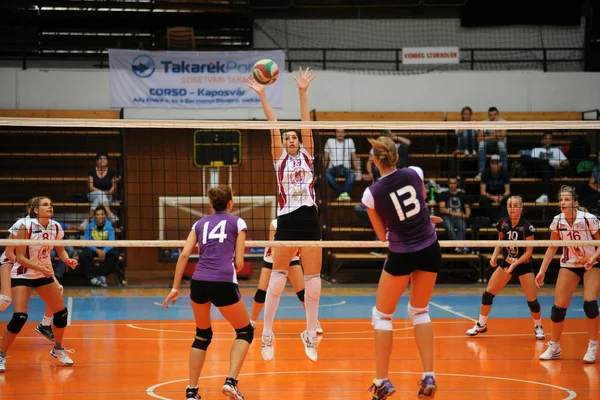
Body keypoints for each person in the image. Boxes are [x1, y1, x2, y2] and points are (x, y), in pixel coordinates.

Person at [246, 67, 322, 362]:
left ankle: (311, 333)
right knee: (277, 278)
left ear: (300, 142)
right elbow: (272, 123)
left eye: (294, 138)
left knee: (314, 281)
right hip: (287, 218)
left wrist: (303, 92)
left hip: (309, 217)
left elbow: (305, 122)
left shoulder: (308, 155)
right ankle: (266, 334)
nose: (291, 140)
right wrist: (263, 94)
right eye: (287, 138)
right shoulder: (279, 159)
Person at [362, 136, 442, 399]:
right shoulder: (415, 173)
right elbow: (417, 206)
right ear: (397, 156)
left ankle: (383, 381)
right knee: (420, 311)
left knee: (382, 316)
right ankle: (428, 375)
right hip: (430, 249)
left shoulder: (371, 194)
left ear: (375, 161)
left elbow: (382, 235)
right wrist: (423, 219)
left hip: (402, 253)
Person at [162, 185, 252, 400]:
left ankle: (192, 391)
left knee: (202, 335)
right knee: (245, 331)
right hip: (222, 281)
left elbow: (184, 255)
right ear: (231, 203)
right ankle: (231, 382)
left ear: (211, 205)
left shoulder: (199, 223)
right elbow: (239, 263)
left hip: (199, 281)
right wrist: (231, 266)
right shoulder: (238, 222)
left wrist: (175, 288)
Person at [0, 196, 78, 373]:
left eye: (51, 204)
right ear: (35, 210)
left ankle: (57, 348)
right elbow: (18, 257)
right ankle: (1, 355)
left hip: (43, 272)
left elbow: (61, 250)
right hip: (23, 272)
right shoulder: (24, 226)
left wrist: (67, 260)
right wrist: (40, 269)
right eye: (45, 205)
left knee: (61, 313)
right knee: (19, 316)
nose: (50, 207)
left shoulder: (55, 226)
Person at [466, 196, 545, 340]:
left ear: (521, 208)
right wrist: (494, 255)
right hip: (507, 262)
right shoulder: (503, 223)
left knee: (532, 301)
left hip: (524, 264)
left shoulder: (527, 227)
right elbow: (500, 241)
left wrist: (515, 264)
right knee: (487, 294)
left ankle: (538, 326)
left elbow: (528, 253)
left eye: (515, 205)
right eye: (509, 205)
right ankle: (481, 325)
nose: (512, 208)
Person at [536, 185, 599, 363]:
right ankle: (554, 346)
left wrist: (593, 257)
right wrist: (542, 271)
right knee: (557, 310)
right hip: (570, 263)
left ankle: (593, 345)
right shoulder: (557, 220)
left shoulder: (589, 219)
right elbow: (552, 247)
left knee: (590, 305)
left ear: (575, 203)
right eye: (561, 200)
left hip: (592, 263)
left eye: (567, 199)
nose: (563, 202)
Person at [250, 219, 322, 334]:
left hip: (292, 257)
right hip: (272, 258)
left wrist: (288, 259)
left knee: (302, 292)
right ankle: (252, 322)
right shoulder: (275, 224)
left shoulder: (302, 225)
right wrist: (281, 260)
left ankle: (314, 322)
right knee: (261, 291)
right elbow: (273, 247)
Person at [79, 206, 120, 287]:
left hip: (105, 247)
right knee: (83, 255)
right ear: (94, 216)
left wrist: (104, 251)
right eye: (97, 214)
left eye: (102, 214)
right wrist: (96, 250)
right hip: (93, 247)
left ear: (105, 216)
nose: (100, 216)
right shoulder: (90, 226)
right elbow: (87, 241)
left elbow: (111, 242)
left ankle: (102, 275)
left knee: (115, 254)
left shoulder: (109, 226)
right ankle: (91, 278)